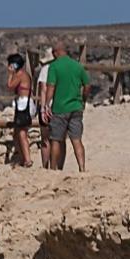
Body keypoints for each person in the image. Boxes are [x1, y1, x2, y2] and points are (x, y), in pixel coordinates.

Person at [43, 43, 91, 172]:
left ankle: (53, 169)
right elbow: (87, 85)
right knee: (77, 140)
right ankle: (82, 168)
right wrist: (84, 99)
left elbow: (51, 87)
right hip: (76, 106)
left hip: (60, 108)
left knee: (56, 140)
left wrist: (47, 104)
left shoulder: (54, 66)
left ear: (56, 52)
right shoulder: (77, 66)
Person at [6, 54, 34, 167]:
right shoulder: (22, 74)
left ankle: (27, 159)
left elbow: (10, 86)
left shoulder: (20, 74)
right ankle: (22, 158)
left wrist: (10, 74)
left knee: (22, 133)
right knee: (17, 133)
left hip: (24, 104)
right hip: (22, 104)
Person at [35, 47, 55, 168]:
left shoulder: (45, 70)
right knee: (56, 139)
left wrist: (43, 108)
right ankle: (55, 166)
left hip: (47, 106)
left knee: (45, 140)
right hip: (58, 106)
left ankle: (45, 165)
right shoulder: (59, 70)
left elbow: (43, 90)